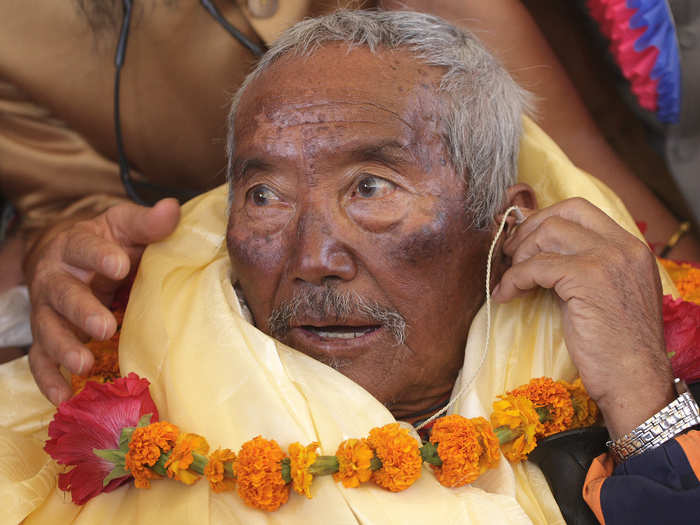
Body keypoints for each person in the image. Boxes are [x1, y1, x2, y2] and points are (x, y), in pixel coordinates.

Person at [1, 11, 698, 524]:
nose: (312, 260)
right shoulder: (117, 429)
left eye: (370, 188)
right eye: (265, 196)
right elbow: (63, 207)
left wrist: (644, 404)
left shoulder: (633, 375)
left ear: (506, 221)